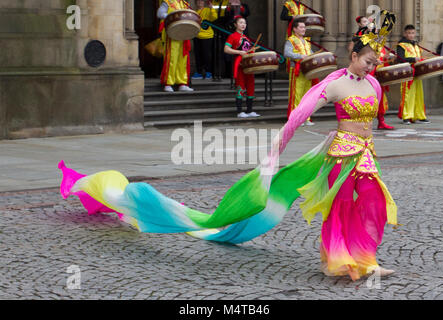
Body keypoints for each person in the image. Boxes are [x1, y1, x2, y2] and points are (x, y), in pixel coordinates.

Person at [59, 12, 399, 282]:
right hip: (340, 154)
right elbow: (298, 115)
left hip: (366, 155)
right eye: (367, 61)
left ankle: (368, 258)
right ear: (353, 55)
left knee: (372, 202)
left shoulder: (372, 85)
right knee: (339, 207)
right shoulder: (334, 84)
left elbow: (373, 118)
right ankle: (340, 262)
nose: (372, 67)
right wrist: (275, 152)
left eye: (375, 63)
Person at [224, 16, 260, 118]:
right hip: (240, 64)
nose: (243, 25)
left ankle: (249, 110)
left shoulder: (246, 37)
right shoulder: (232, 36)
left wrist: (252, 50)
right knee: (240, 86)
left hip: (248, 64)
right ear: (235, 25)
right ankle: (240, 111)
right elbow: (226, 49)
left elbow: (247, 50)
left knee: (250, 86)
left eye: (244, 23)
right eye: (240, 23)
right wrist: (239, 52)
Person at [157, 0, 194, 92]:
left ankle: (182, 83)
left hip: (183, 34)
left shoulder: (185, 4)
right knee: (171, 59)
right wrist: (172, 16)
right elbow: (160, 14)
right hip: (172, 34)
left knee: (183, 59)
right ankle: (168, 83)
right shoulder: (167, 2)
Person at [283, 19, 316, 124]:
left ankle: (306, 118)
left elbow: (311, 53)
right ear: (295, 29)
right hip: (297, 70)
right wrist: (300, 56)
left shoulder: (306, 41)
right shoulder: (291, 40)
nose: (303, 29)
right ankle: (295, 119)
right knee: (296, 95)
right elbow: (286, 53)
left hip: (307, 71)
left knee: (307, 95)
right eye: (301, 27)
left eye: (304, 27)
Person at [397, 25, 430, 124]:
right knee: (408, 95)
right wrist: (413, 59)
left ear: (415, 34)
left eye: (412, 33)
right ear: (405, 34)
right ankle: (407, 116)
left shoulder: (416, 45)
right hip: (407, 73)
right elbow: (400, 59)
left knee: (419, 95)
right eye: (408, 33)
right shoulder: (401, 45)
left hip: (417, 73)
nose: (411, 35)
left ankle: (420, 115)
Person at [192, 0, 218, 80]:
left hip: (207, 36)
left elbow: (214, 18)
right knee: (198, 55)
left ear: (204, 2)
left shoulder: (207, 10)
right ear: (195, 3)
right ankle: (199, 72)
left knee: (207, 55)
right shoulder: (194, 12)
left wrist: (211, 8)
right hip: (196, 36)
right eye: (198, 1)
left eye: (201, 1)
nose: (200, 2)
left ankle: (208, 72)